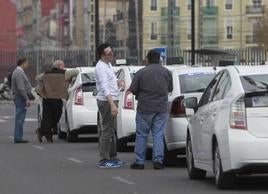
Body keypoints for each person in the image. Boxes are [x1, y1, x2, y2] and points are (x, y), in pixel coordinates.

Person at [129, 50, 173, 170]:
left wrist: (141, 93)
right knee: (158, 134)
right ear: (159, 59)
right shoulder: (167, 72)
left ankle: (139, 162)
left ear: (147, 59)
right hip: (161, 108)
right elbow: (170, 88)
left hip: (144, 108)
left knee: (141, 135)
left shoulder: (141, 73)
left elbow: (133, 89)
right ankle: (158, 160)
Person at [95, 43, 125, 168]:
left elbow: (111, 80)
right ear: (102, 55)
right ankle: (104, 159)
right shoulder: (100, 67)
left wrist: (119, 82)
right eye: (109, 53)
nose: (112, 55)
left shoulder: (108, 65)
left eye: (112, 52)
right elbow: (104, 87)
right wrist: (112, 105)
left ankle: (113, 157)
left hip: (113, 99)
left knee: (112, 131)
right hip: (107, 101)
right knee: (107, 130)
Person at [35, 60, 79, 143]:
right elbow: (76, 71)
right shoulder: (65, 73)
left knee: (47, 117)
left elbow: (37, 78)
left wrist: (44, 85)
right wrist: (70, 79)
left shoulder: (46, 74)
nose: (63, 67)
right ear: (60, 66)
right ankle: (47, 135)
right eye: (63, 65)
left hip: (46, 98)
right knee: (56, 116)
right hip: (57, 98)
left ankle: (42, 131)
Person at [11, 58, 33, 143]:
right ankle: (18, 137)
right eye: (26, 63)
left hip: (20, 98)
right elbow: (21, 88)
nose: (27, 65)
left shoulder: (18, 72)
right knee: (20, 118)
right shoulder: (18, 73)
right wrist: (26, 99)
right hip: (20, 98)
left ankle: (18, 136)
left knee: (20, 118)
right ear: (23, 63)